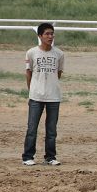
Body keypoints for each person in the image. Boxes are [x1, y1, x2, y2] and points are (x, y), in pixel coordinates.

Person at [22, 23, 64, 166]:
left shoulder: (59, 54)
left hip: (54, 96)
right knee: (32, 128)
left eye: (52, 34)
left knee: (51, 130)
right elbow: (29, 73)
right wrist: (32, 90)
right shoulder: (32, 52)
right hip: (36, 96)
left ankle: (50, 157)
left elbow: (58, 73)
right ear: (40, 36)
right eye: (47, 34)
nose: (50, 36)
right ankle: (28, 156)